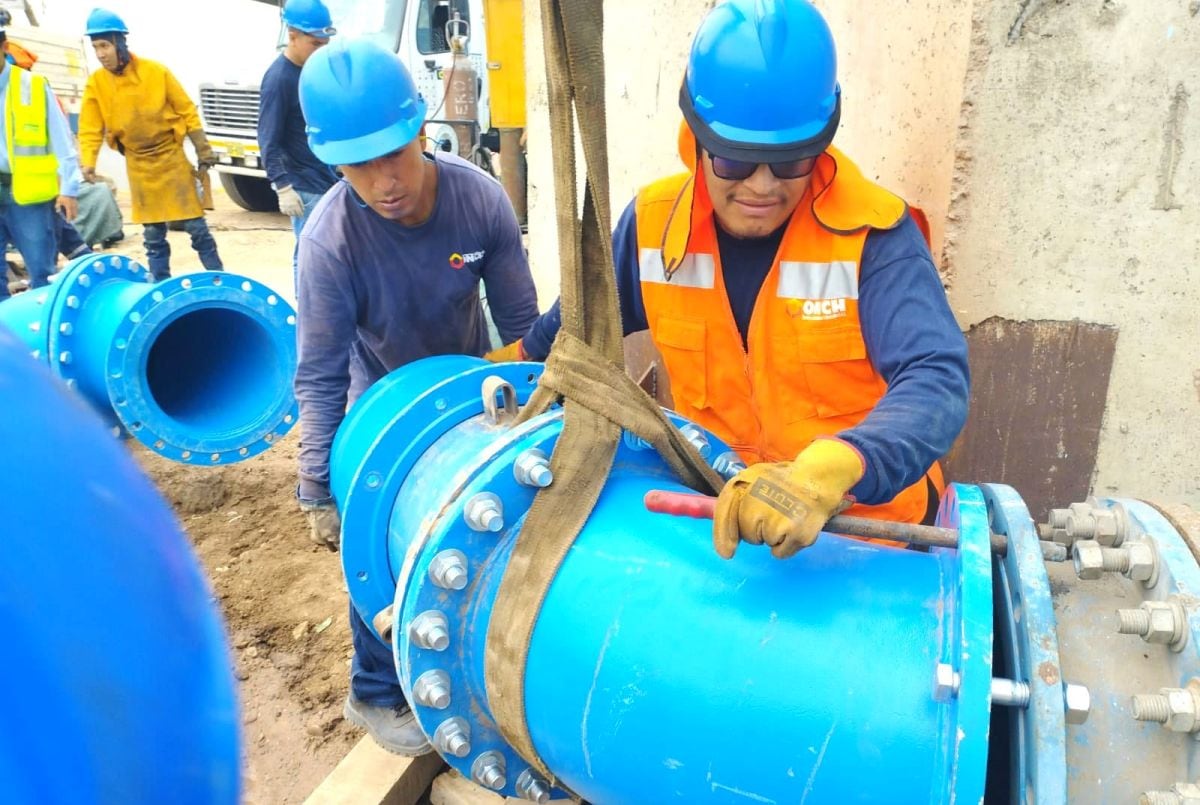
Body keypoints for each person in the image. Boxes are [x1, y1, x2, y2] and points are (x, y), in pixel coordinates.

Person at [501, 0, 970, 560]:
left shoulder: (874, 237)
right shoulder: (653, 228)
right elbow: (567, 337)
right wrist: (491, 378)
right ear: (696, 137)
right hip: (725, 527)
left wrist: (835, 468)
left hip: (869, 539)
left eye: (791, 162)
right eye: (735, 162)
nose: (763, 186)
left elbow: (936, 377)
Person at [293, 38, 539, 755]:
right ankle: (376, 688)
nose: (383, 180)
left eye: (393, 154)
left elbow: (523, 326)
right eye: (357, 165)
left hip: (468, 386)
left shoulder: (479, 201)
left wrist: (533, 406)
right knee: (384, 536)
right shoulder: (331, 242)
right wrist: (317, 481)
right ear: (331, 162)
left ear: (419, 130)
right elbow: (319, 371)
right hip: (385, 403)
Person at [77, 7, 223, 282]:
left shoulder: (156, 72)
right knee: (153, 235)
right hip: (138, 165)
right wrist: (88, 161)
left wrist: (202, 147)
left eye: (105, 45)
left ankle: (219, 277)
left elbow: (186, 110)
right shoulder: (96, 83)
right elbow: (89, 128)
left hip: (171, 159)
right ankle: (159, 284)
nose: (100, 53)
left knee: (196, 227)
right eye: (95, 47)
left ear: (119, 42)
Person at [258, 0, 339, 288]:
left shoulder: (313, 69)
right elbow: (268, 138)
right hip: (303, 187)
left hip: (326, 178)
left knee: (336, 253)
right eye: (315, 43)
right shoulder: (278, 79)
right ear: (292, 36)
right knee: (309, 254)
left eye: (325, 43)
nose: (321, 49)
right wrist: (283, 187)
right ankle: (308, 316)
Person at [0, 20, 81, 302]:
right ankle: (6, 343)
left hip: (28, 198)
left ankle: (44, 339)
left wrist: (69, 187)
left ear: (4, 47)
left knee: (43, 275)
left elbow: (62, 139)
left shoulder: (31, 86)